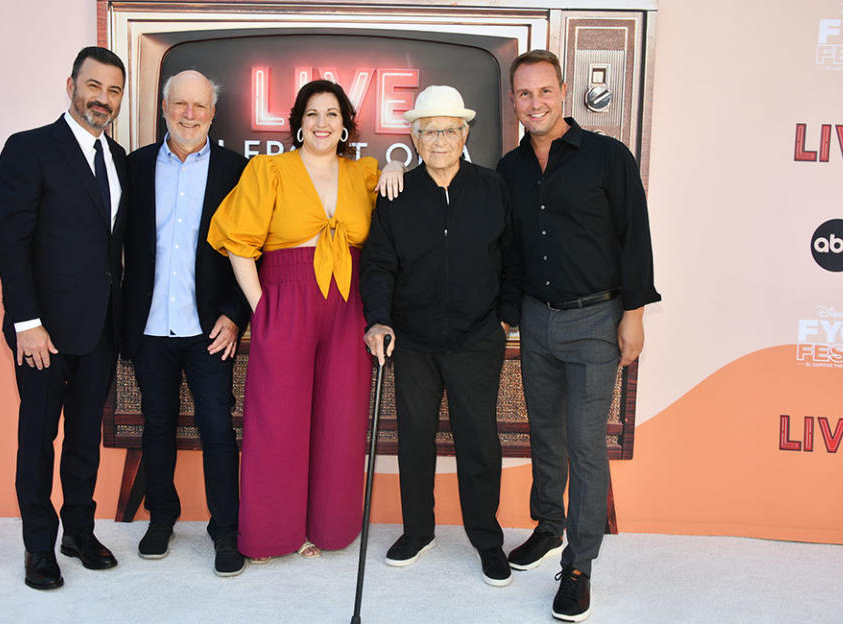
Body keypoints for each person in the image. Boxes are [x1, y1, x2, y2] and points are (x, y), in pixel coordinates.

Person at [207, 79, 402, 561]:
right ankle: (273, 534)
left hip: (347, 302)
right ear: (298, 123)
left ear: (346, 125)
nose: (322, 123)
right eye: (312, 114)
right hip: (285, 297)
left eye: (332, 114)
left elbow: (394, 224)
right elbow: (238, 243)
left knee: (340, 417)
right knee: (277, 420)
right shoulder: (269, 169)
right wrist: (262, 307)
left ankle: (328, 529)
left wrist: (397, 165)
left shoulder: (364, 174)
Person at [497, 50, 661, 622]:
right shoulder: (510, 170)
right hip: (536, 319)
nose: (535, 102)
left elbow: (633, 237)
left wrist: (634, 312)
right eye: (524, 93)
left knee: (585, 445)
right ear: (513, 100)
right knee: (544, 432)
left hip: (597, 320)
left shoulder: (607, 158)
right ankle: (547, 526)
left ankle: (579, 565)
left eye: (544, 91)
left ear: (562, 92)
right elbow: (509, 249)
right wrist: (507, 310)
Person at [360, 85, 518, 587]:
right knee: (414, 438)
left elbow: (514, 260)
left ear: (465, 133)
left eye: (450, 130)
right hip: (413, 338)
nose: (440, 140)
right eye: (429, 131)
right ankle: (418, 531)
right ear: (414, 137)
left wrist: (505, 318)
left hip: (477, 335)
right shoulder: (396, 192)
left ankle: (486, 539)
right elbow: (379, 265)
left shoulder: (493, 188)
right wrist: (379, 319)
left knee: (479, 440)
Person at [0, 46, 128, 590]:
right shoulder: (29, 149)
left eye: (114, 90)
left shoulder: (118, 159)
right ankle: (37, 548)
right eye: (93, 86)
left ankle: (78, 531)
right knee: (38, 438)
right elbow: (12, 241)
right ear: (71, 84)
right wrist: (26, 321)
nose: (102, 99)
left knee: (83, 441)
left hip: (99, 328)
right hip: (42, 332)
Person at [121, 70, 250, 575]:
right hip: (149, 325)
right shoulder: (132, 168)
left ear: (213, 114)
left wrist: (236, 315)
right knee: (156, 427)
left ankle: (226, 533)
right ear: (164, 106)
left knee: (218, 429)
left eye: (199, 106)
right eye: (180, 105)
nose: (189, 114)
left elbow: (252, 250)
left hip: (209, 329)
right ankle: (161, 519)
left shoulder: (236, 171)